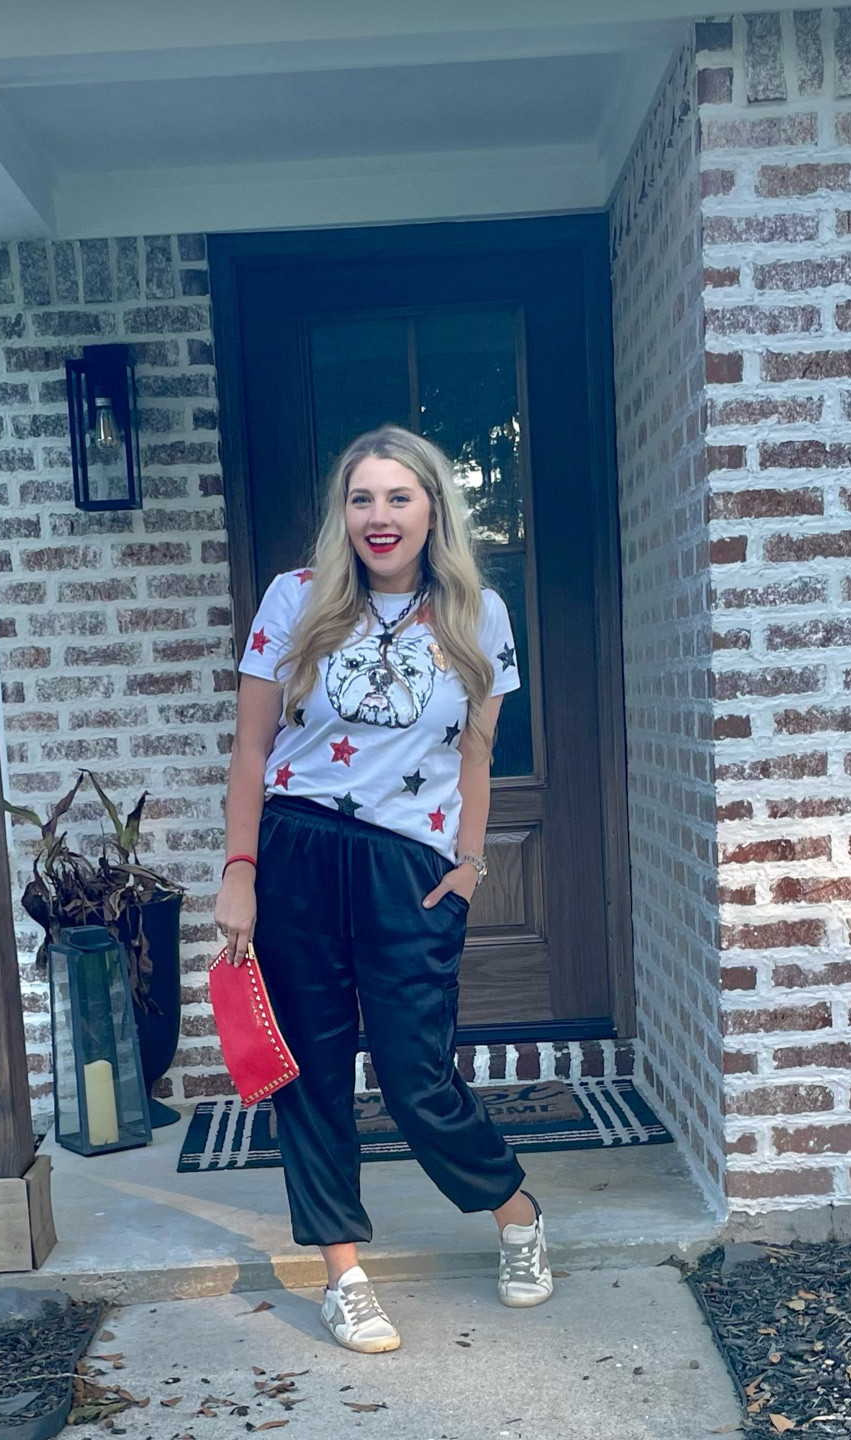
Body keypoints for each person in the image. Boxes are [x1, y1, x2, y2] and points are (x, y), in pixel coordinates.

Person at [214, 424, 551, 1355]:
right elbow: (249, 751)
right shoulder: (293, 601)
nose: (379, 516)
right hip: (297, 855)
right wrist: (239, 871)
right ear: (343, 513)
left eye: (398, 497)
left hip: (410, 866)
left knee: (416, 1078)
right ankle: (343, 1273)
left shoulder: (479, 613)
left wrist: (471, 863)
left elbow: (476, 756)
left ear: (431, 508)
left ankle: (517, 1213)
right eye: (362, 498)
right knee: (312, 1075)